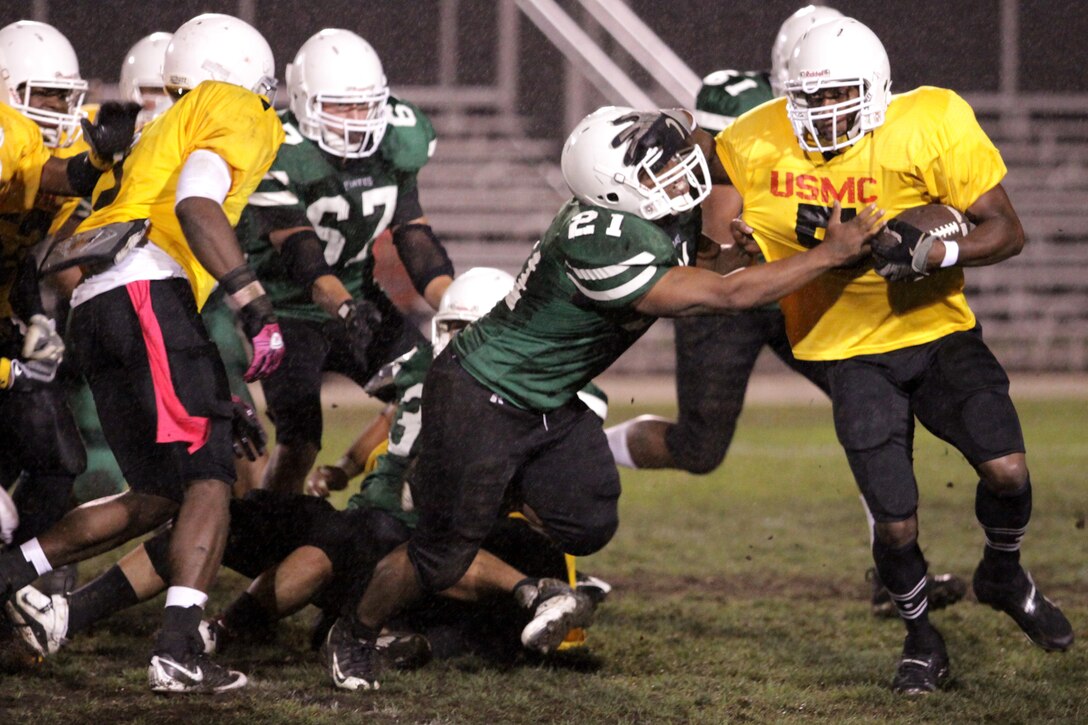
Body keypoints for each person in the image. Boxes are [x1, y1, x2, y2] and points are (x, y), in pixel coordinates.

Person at [316, 103, 882, 691]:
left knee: (588, 519)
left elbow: (704, 238)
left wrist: (733, 247)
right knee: (441, 554)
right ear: (611, 193)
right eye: (652, 169)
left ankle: (490, 494)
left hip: (547, 398)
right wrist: (829, 254)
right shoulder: (600, 242)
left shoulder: (646, 214)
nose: (674, 171)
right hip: (481, 395)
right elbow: (726, 296)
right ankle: (355, 631)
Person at [699, 16, 1073, 694]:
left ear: (875, 88)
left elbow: (1007, 229)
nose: (823, 111)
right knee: (896, 521)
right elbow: (717, 234)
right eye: (807, 99)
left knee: (1009, 470)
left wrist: (938, 251)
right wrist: (732, 246)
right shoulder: (752, 141)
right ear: (784, 95)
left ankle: (1003, 571)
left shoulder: (930, 120)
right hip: (847, 350)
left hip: (937, 331)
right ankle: (922, 636)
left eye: (839, 94)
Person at [6, 268, 605, 670]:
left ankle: (224, 633)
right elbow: (399, 423)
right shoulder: (431, 378)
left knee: (348, 536)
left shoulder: (539, 400)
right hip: (380, 537)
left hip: (434, 556)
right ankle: (74, 613)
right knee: (234, 517)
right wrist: (344, 466)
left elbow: (559, 500)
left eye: (474, 333)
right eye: (453, 332)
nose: (462, 347)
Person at [604, 4, 967, 620]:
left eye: (837, 87)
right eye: (811, 86)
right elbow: (718, 212)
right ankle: (585, 444)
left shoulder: (870, 114)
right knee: (700, 446)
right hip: (733, 289)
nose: (825, 99)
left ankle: (896, 572)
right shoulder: (735, 97)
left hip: (805, 282)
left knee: (873, 405)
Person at [0, 12, 287, 694]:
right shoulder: (235, 106)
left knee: (162, 492)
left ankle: (13, 575)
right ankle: (179, 647)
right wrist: (254, 302)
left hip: (104, 299)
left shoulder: (163, 127)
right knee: (211, 475)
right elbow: (196, 204)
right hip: (144, 289)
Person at [235, 28, 455, 494]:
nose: (356, 119)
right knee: (299, 441)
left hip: (359, 296)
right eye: (341, 106)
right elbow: (300, 251)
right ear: (303, 99)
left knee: (433, 394)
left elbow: (414, 237)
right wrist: (343, 306)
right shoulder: (276, 146)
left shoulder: (396, 141)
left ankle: (358, 480)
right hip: (284, 309)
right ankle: (270, 525)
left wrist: (456, 304)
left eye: (365, 105)